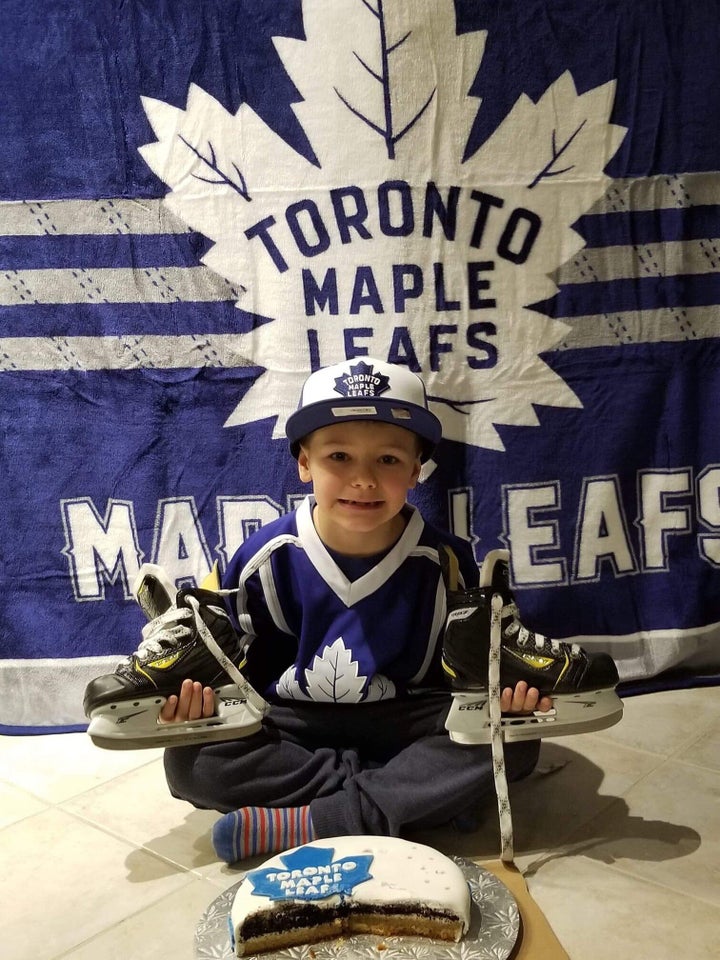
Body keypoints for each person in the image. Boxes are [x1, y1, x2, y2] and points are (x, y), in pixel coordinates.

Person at [160, 357, 552, 864]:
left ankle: (312, 821)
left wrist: (504, 698)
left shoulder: (447, 562)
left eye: (388, 460)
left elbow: (472, 672)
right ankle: (405, 800)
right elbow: (226, 665)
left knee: (517, 743)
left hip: (405, 720)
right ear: (304, 462)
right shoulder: (261, 559)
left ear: (416, 468)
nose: (363, 479)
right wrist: (196, 699)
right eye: (339, 456)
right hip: (295, 722)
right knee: (192, 763)